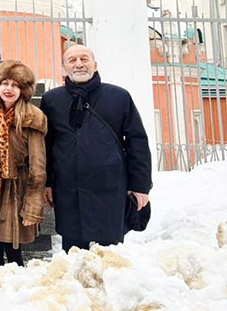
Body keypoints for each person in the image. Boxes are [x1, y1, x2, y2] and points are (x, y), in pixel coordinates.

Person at [42, 45, 152, 250]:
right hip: (69, 190)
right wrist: (47, 182)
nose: (79, 64)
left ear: (95, 64)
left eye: (84, 59)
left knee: (110, 255)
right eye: (72, 60)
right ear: (64, 67)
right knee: (74, 254)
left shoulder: (119, 97)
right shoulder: (52, 100)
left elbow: (137, 141)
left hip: (110, 188)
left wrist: (140, 185)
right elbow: (46, 145)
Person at [0, 61, 47, 268]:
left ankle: (15, 288)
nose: (9, 89)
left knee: (13, 249)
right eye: (5, 83)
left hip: (17, 188)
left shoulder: (32, 118)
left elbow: (38, 166)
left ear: (23, 90)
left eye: (15, 85)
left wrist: (32, 206)